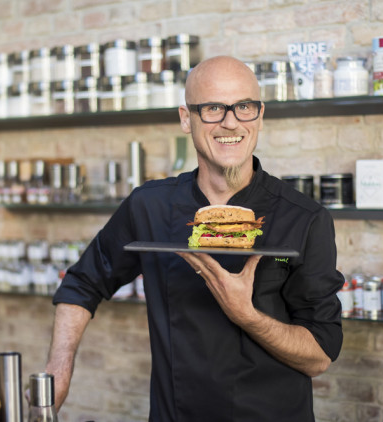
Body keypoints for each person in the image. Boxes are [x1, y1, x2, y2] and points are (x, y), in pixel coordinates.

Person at [46, 55, 344, 421]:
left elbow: (320, 357)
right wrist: (58, 371)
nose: (230, 122)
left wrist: (246, 315)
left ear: (260, 115)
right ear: (186, 119)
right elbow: (82, 283)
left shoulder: (305, 218)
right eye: (213, 108)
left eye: (244, 107)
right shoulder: (149, 206)